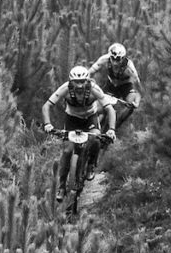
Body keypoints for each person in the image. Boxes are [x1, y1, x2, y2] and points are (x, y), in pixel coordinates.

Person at [42, 64, 119, 200]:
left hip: (90, 119)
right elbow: (47, 105)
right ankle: (61, 186)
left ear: (87, 81)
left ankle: (90, 165)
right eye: (76, 82)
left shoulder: (94, 89)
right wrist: (48, 124)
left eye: (82, 81)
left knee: (95, 139)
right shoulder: (65, 88)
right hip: (72, 120)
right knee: (67, 151)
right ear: (71, 81)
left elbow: (110, 109)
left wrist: (111, 130)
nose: (79, 85)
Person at [89, 42, 143, 133]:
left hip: (126, 87)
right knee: (100, 107)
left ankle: (116, 126)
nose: (114, 62)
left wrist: (136, 102)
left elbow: (138, 88)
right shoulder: (104, 59)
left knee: (130, 106)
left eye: (118, 60)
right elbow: (89, 72)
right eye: (112, 59)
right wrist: (88, 80)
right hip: (111, 85)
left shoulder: (129, 67)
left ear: (123, 58)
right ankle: (94, 128)